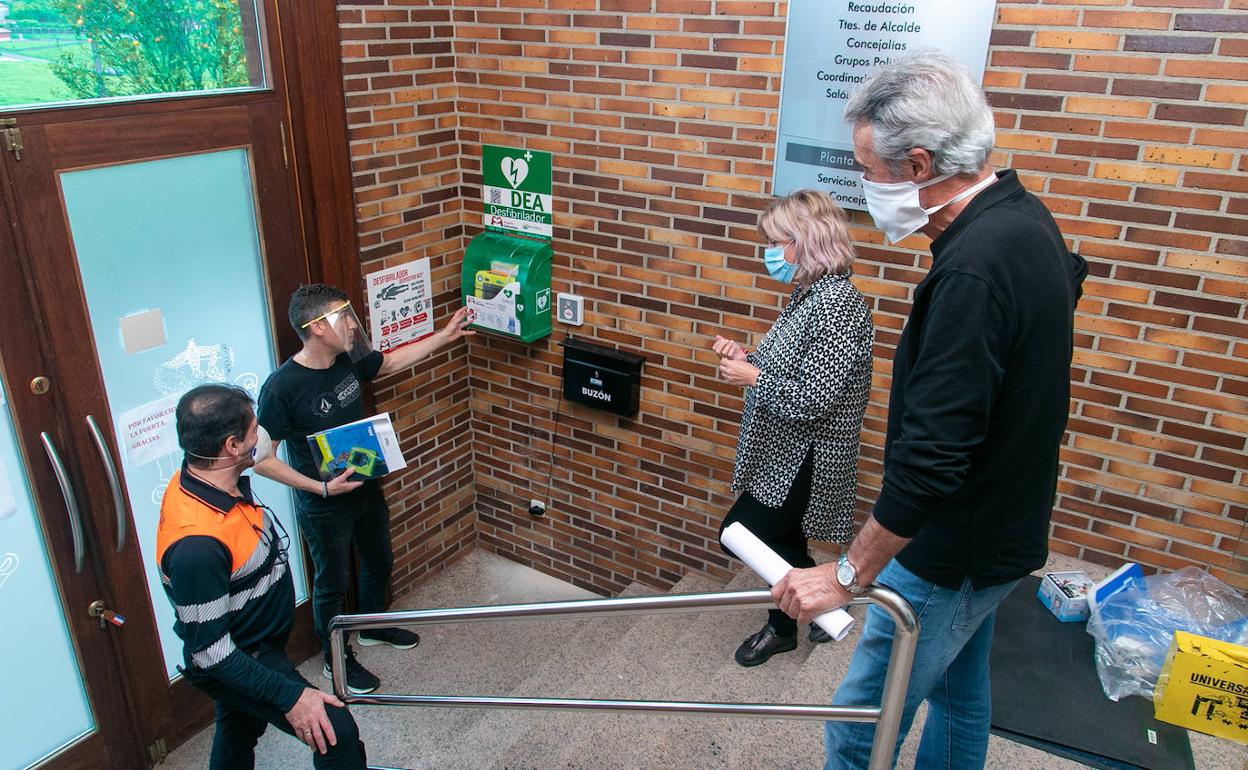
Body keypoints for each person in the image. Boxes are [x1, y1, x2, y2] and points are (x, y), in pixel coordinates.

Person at [771, 51, 1088, 769]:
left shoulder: (975, 268)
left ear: (919, 167)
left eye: (869, 171)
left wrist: (846, 576)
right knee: (958, 695)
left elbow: (934, 454)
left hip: (953, 552)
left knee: (858, 725)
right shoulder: (1022, 216)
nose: (863, 186)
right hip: (1004, 529)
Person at [255, 283, 473, 695]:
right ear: (317, 327)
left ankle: (373, 626)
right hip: (324, 504)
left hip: (366, 485)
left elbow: (387, 364)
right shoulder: (281, 388)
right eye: (343, 317)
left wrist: (444, 336)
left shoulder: (349, 358)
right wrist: (318, 488)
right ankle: (336, 659)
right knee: (332, 581)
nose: (354, 325)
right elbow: (261, 458)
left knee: (378, 560)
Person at [157, 384, 367, 769]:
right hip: (240, 653)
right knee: (334, 731)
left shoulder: (208, 475)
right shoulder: (197, 548)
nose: (262, 436)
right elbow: (210, 651)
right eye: (256, 430)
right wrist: (289, 697)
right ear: (232, 445)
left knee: (238, 727)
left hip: (256, 640)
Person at [713, 189, 874, 667]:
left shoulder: (839, 303)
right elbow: (792, 367)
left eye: (778, 240)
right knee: (784, 540)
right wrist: (749, 358)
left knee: (741, 530)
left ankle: (814, 608)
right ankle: (803, 615)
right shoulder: (808, 293)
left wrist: (753, 377)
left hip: (808, 453)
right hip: (784, 449)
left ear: (808, 240)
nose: (771, 251)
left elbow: (815, 398)